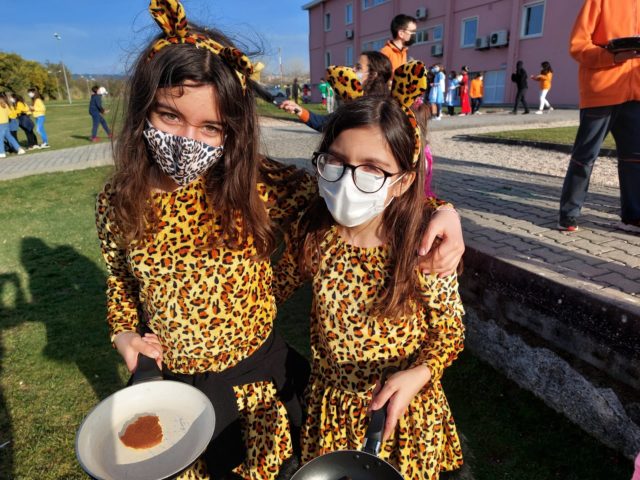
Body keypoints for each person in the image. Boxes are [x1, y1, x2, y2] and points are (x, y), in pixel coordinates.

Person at [95, 1, 465, 478]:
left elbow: (355, 194)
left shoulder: (263, 186)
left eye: (210, 127)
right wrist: (123, 331)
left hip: (254, 389)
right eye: (169, 115)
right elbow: (120, 278)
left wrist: (442, 211)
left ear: (232, 128)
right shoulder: (117, 201)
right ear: (144, 107)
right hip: (170, 387)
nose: (187, 139)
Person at [273, 93, 465, 479]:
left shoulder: (421, 246)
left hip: (401, 414)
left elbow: (451, 331)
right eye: (336, 161)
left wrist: (421, 373)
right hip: (331, 410)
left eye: (372, 169)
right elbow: (270, 290)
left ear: (403, 182)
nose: (348, 180)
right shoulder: (314, 231)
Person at [558, 0, 640, 232]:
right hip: (601, 92)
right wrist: (613, 57)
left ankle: (633, 216)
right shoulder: (599, 1)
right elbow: (578, 46)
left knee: (635, 159)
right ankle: (568, 214)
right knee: (585, 155)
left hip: (636, 95)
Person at [280, 51, 392, 132]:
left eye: (358, 68)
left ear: (373, 75)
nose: (352, 70)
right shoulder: (352, 105)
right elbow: (326, 123)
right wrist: (298, 110)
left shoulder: (382, 111)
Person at [0, 93, 26, 158]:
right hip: (6, 123)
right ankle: (19, 149)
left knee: (1, 138)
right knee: (9, 137)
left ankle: (2, 152)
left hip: (1, 124)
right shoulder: (5, 105)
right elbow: (10, 114)